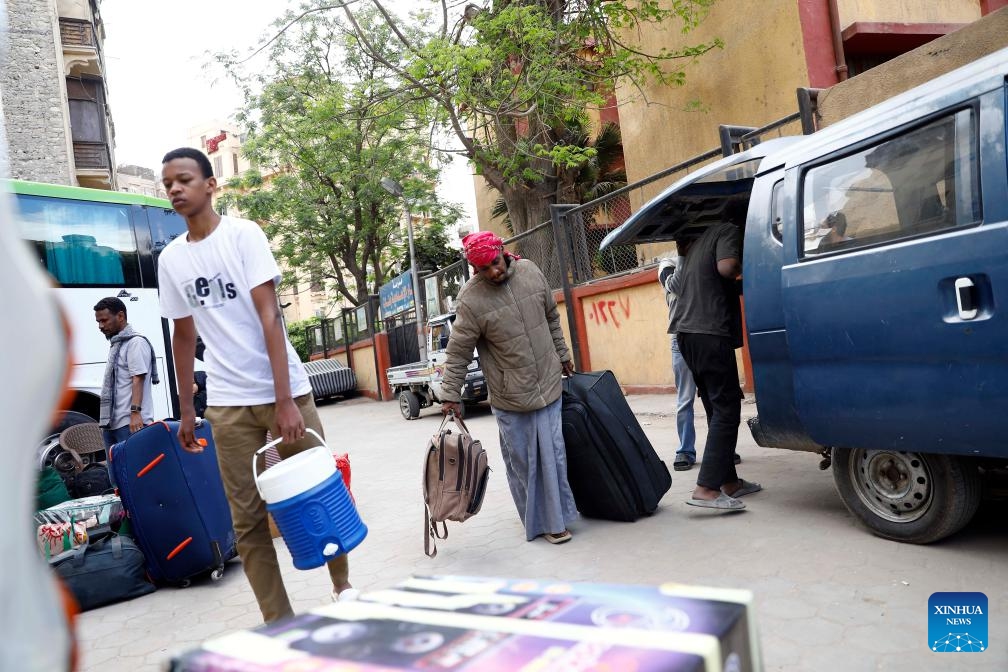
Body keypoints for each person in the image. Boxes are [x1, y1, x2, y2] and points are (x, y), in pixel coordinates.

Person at [158, 147, 353, 623]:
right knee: (246, 519)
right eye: (168, 184)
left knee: (317, 488)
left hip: (283, 390)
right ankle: (279, 620)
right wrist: (187, 410)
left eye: (184, 179)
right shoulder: (171, 259)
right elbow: (183, 336)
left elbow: (270, 316)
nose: (175, 189)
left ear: (210, 185)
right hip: (227, 403)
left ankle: (342, 586)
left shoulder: (244, 235)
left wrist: (284, 401)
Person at [440, 231, 578, 544]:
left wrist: (562, 355)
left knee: (554, 458)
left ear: (502, 251)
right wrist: (450, 395)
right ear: (475, 269)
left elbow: (551, 317)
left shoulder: (530, 271)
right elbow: (459, 352)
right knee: (525, 464)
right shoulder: (471, 299)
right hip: (510, 396)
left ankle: (558, 520)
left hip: (547, 382)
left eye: (495, 263)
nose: (493, 271)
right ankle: (539, 522)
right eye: (483, 269)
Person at [671, 225, 761, 511]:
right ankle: (707, 488)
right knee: (727, 408)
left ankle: (728, 481)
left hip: (688, 335)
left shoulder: (699, 242)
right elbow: (726, 268)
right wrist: (751, 268)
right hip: (709, 333)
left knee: (715, 406)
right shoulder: (728, 230)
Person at [94, 296, 155, 448]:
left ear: (120, 316)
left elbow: (138, 378)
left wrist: (135, 413)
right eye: (98, 322)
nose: (100, 326)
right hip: (112, 424)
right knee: (116, 465)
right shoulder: (117, 344)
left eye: (104, 320)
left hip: (130, 423)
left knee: (134, 463)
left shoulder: (136, 342)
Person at [658, 256, 697, 471]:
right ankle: (685, 450)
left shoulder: (700, 259)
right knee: (685, 399)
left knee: (712, 396)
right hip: (680, 337)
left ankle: (720, 449)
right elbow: (676, 286)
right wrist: (684, 257)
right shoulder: (667, 263)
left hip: (705, 334)